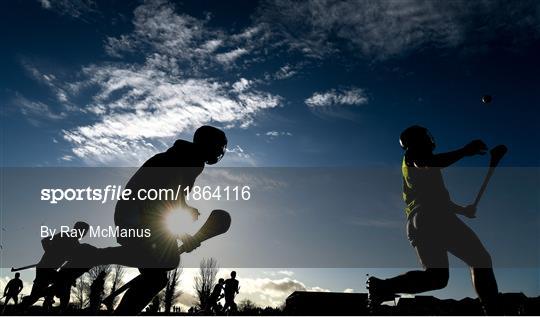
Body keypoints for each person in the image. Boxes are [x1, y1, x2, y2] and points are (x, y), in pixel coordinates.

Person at [55, 126, 228, 315]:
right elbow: (158, 201)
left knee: (158, 274)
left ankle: (92, 256)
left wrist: (185, 208)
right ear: (207, 144)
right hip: (136, 215)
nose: (220, 152)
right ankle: (92, 256)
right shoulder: (183, 161)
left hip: (136, 214)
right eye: (218, 147)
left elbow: (171, 196)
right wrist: (180, 234)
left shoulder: (188, 160)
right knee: (164, 266)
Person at [367, 125, 499, 314]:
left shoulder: (413, 163)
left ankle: (383, 287)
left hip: (419, 221)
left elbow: (434, 198)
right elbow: (428, 164)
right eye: (425, 136)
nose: (430, 139)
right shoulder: (414, 154)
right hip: (433, 217)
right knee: (479, 258)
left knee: (436, 278)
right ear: (418, 140)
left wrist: (462, 210)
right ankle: (492, 310)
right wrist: (464, 151)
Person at [19, 221, 90, 311]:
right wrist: (50, 253)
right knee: (35, 297)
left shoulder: (76, 245)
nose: (84, 234)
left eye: (85, 232)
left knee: (63, 285)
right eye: (83, 231)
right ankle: (19, 308)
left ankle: (45, 299)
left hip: (52, 270)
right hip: (44, 268)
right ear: (76, 229)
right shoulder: (64, 235)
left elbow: (71, 261)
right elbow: (44, 241)